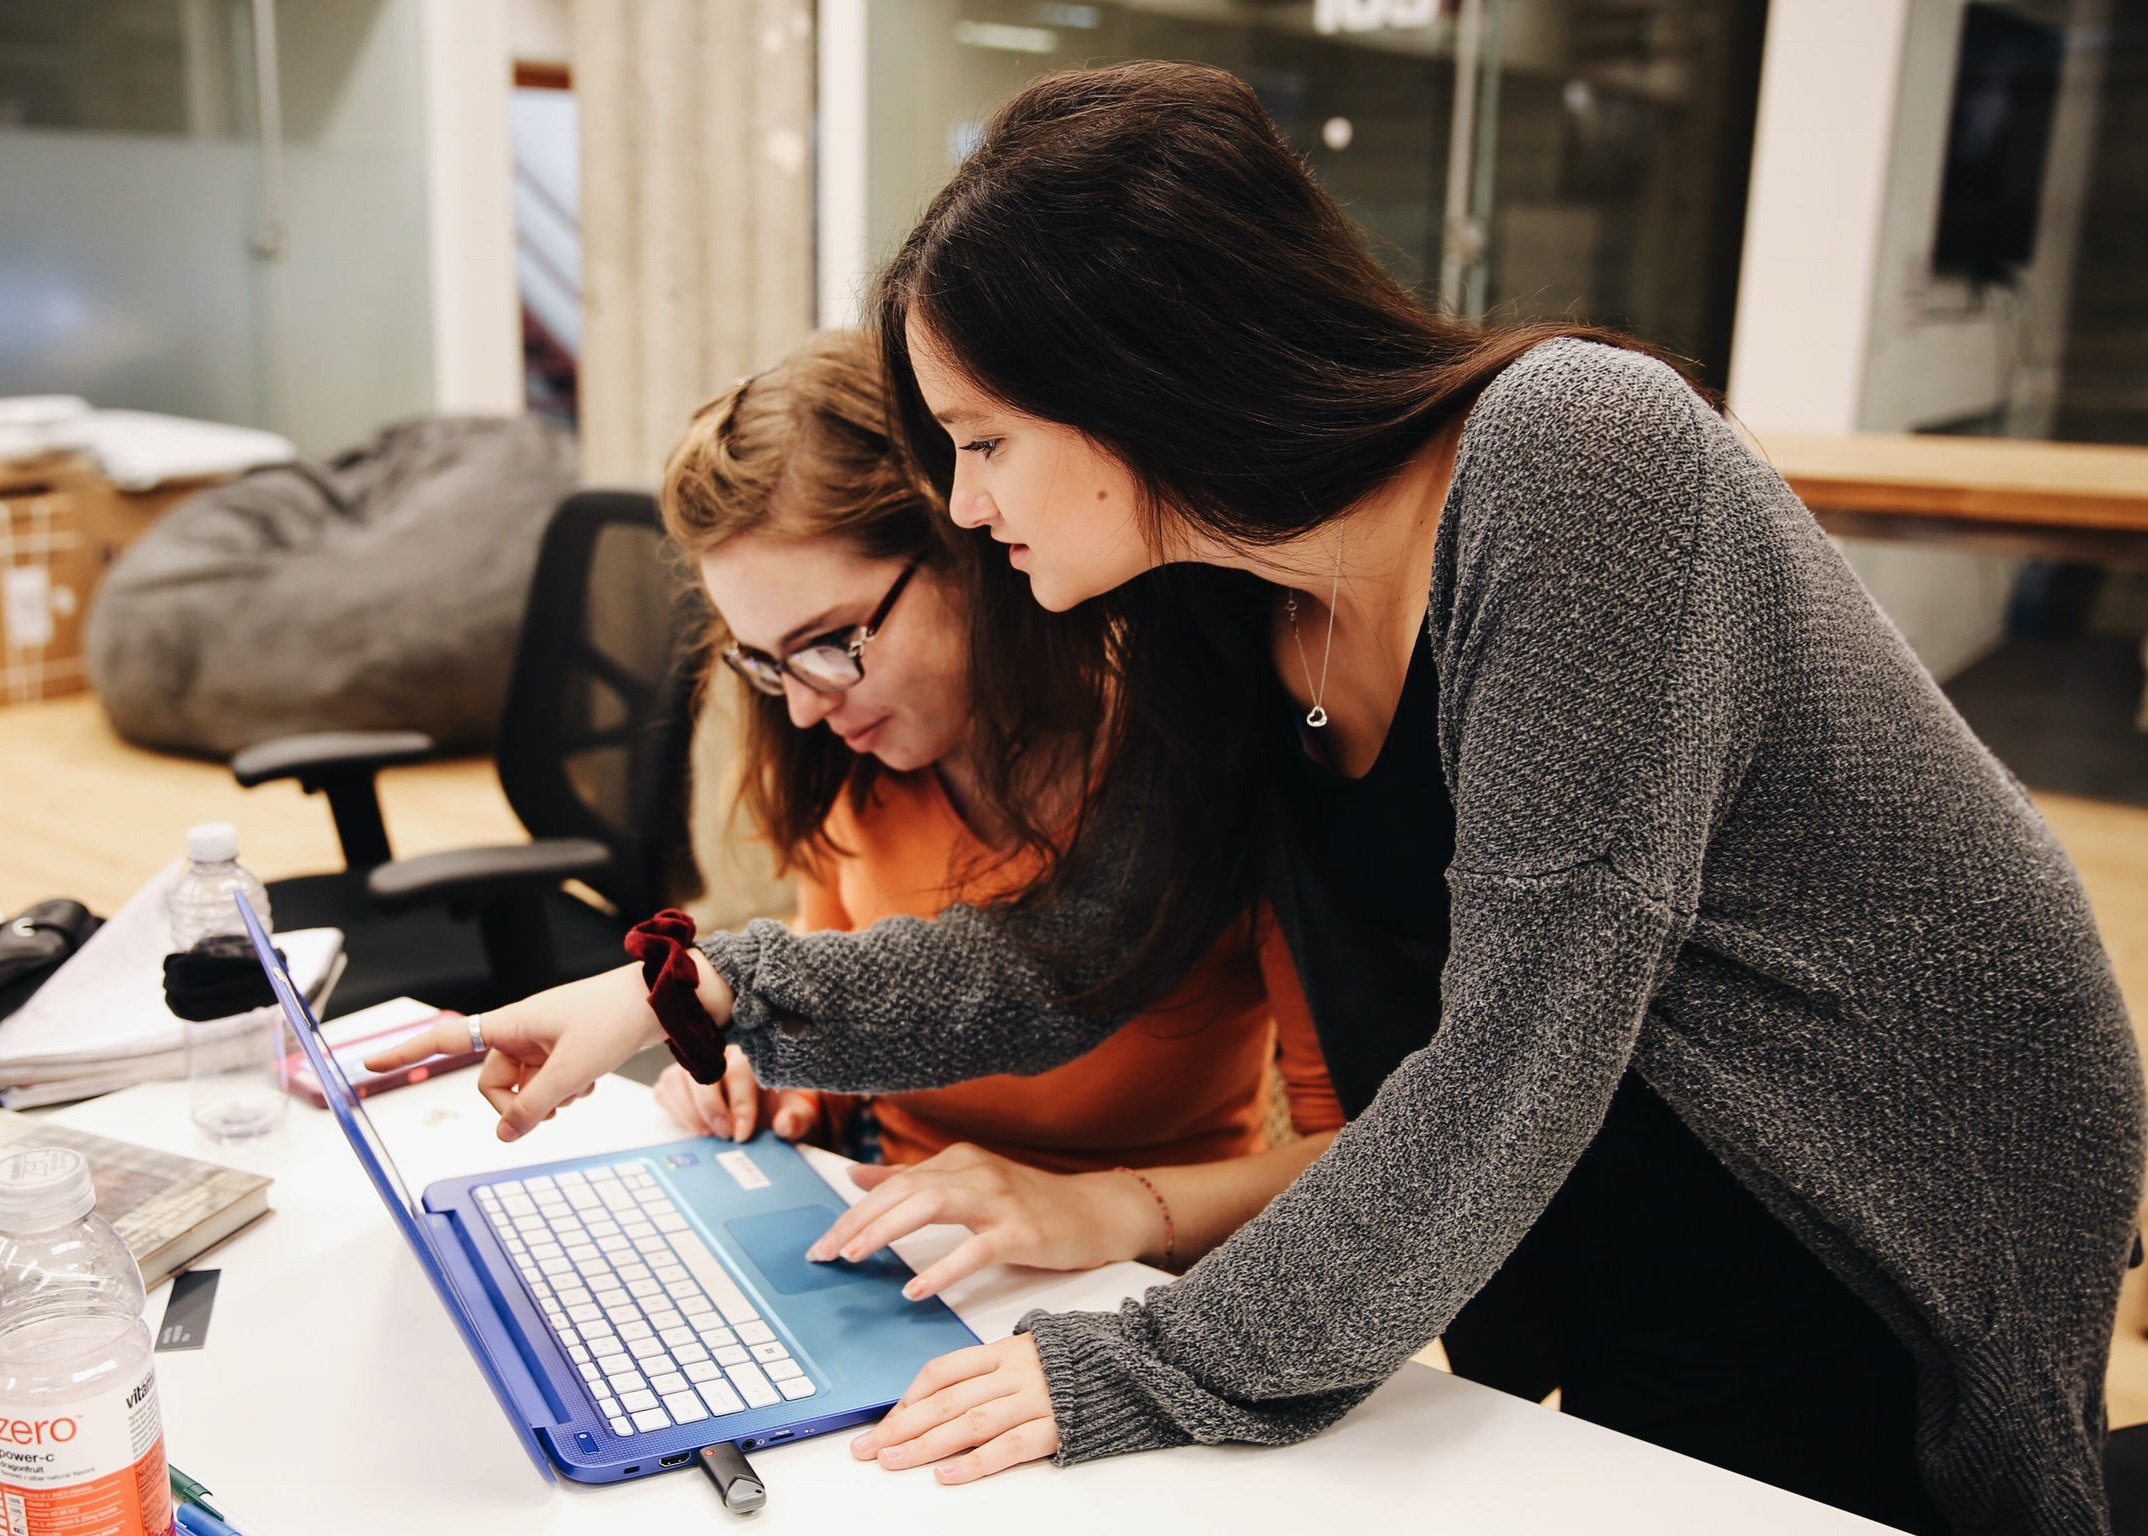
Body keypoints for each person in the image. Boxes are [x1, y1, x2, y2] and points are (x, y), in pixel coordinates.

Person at [374, 64, 2143, 1535]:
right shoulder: (1220, 599)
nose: (968, 509)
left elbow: (1519, 1048)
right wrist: (681, 993)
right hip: (1615, 1150)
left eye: (983, 443)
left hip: (1860, 1167)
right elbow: (1067, 956)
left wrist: (1144, 1367)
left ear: (1134, 371)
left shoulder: (1576, 458)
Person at [647, 329, 1342, 1295]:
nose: (802, 707)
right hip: (897, 1245)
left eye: (829, 643)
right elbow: (843, 993)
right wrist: (784, 1083)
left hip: (1146, 1274)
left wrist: (1102, 1208)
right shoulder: (845, 752)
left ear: (972, 545)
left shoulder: (1211, 766)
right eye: (765, 662)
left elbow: (1359, 1160)